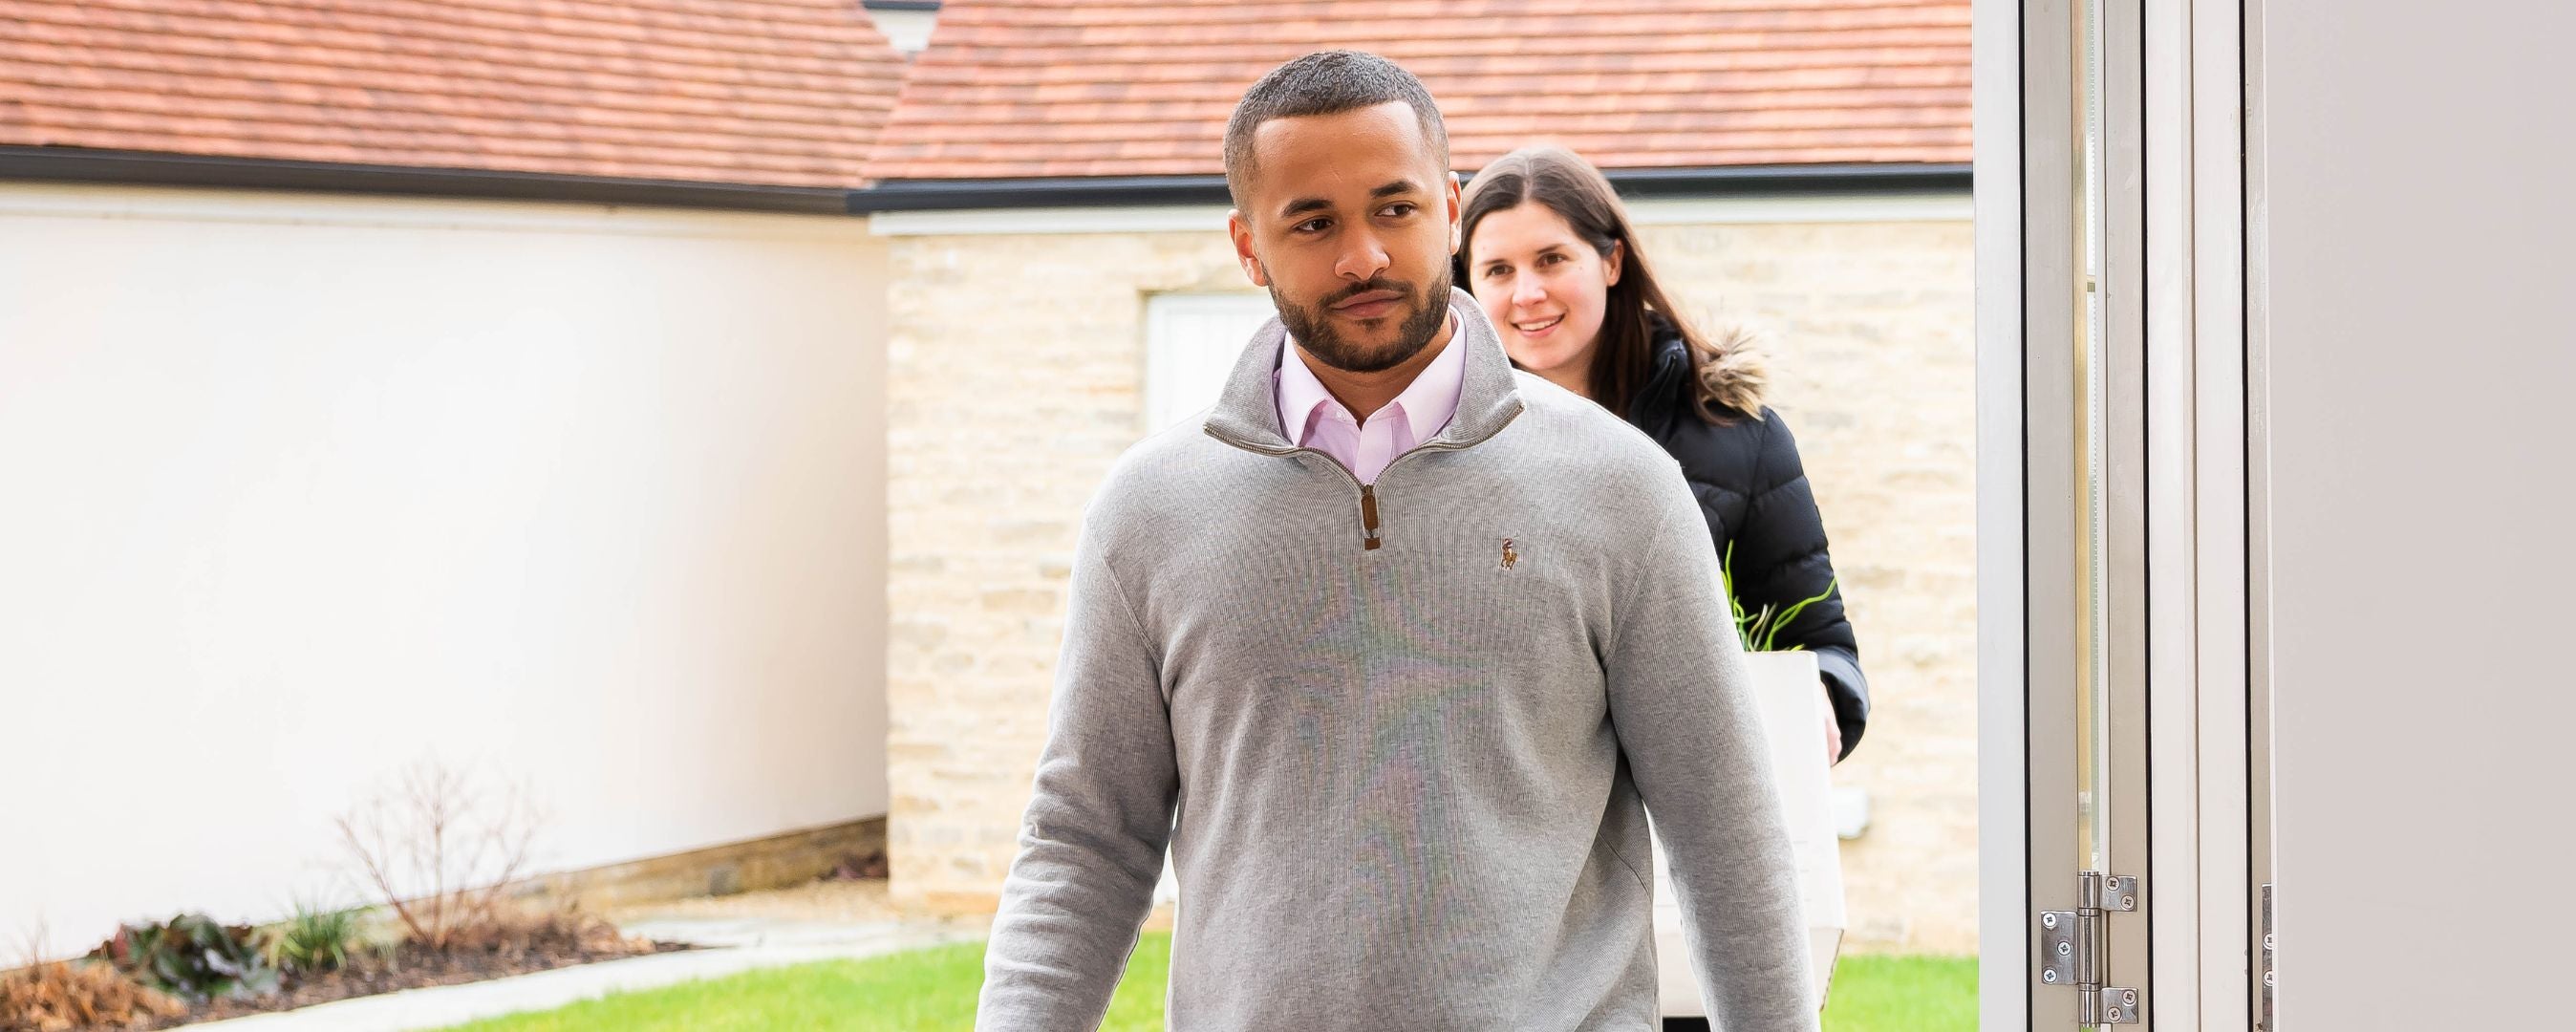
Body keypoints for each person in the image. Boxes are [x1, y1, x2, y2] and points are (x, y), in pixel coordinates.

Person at [975, 51, 1815, 1032]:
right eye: (1312, 221)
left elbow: (1723, 823)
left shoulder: (1619, 488)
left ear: (1450, 211)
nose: (1362, 256)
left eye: (1393, 208)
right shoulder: (1147, 513)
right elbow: (1084, 839)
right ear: (1248, 247)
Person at [1459, 145, 1871, 767]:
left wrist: (1818, 692)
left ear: (1612, 261)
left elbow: (1821, 646)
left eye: (1552, 259)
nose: (1528, 293)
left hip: (1685, 810)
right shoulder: (1441, 443)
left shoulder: (1738, 437)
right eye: (1497, 270)